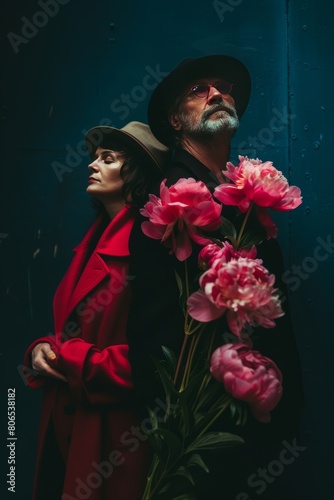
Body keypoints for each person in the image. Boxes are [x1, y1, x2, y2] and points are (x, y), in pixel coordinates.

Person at [147, 55, 305, 499]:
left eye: (222, 87)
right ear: (176, 121)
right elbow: (149, 326)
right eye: (199, 90)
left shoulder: (244, 200)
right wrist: (169, 426)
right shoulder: (169, 198)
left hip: (257, 431)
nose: (217, 93)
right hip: (199, 434)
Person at [23, 121, 184, 500]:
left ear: (135, 174)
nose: (92, 165)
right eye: (95, 157)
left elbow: (158, 361)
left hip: (111, 435)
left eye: (107, 159)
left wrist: (71, 357)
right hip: (67, 424)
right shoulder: (93, 238)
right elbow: (73, 326)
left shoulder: (149, 249)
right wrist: (42, 348)